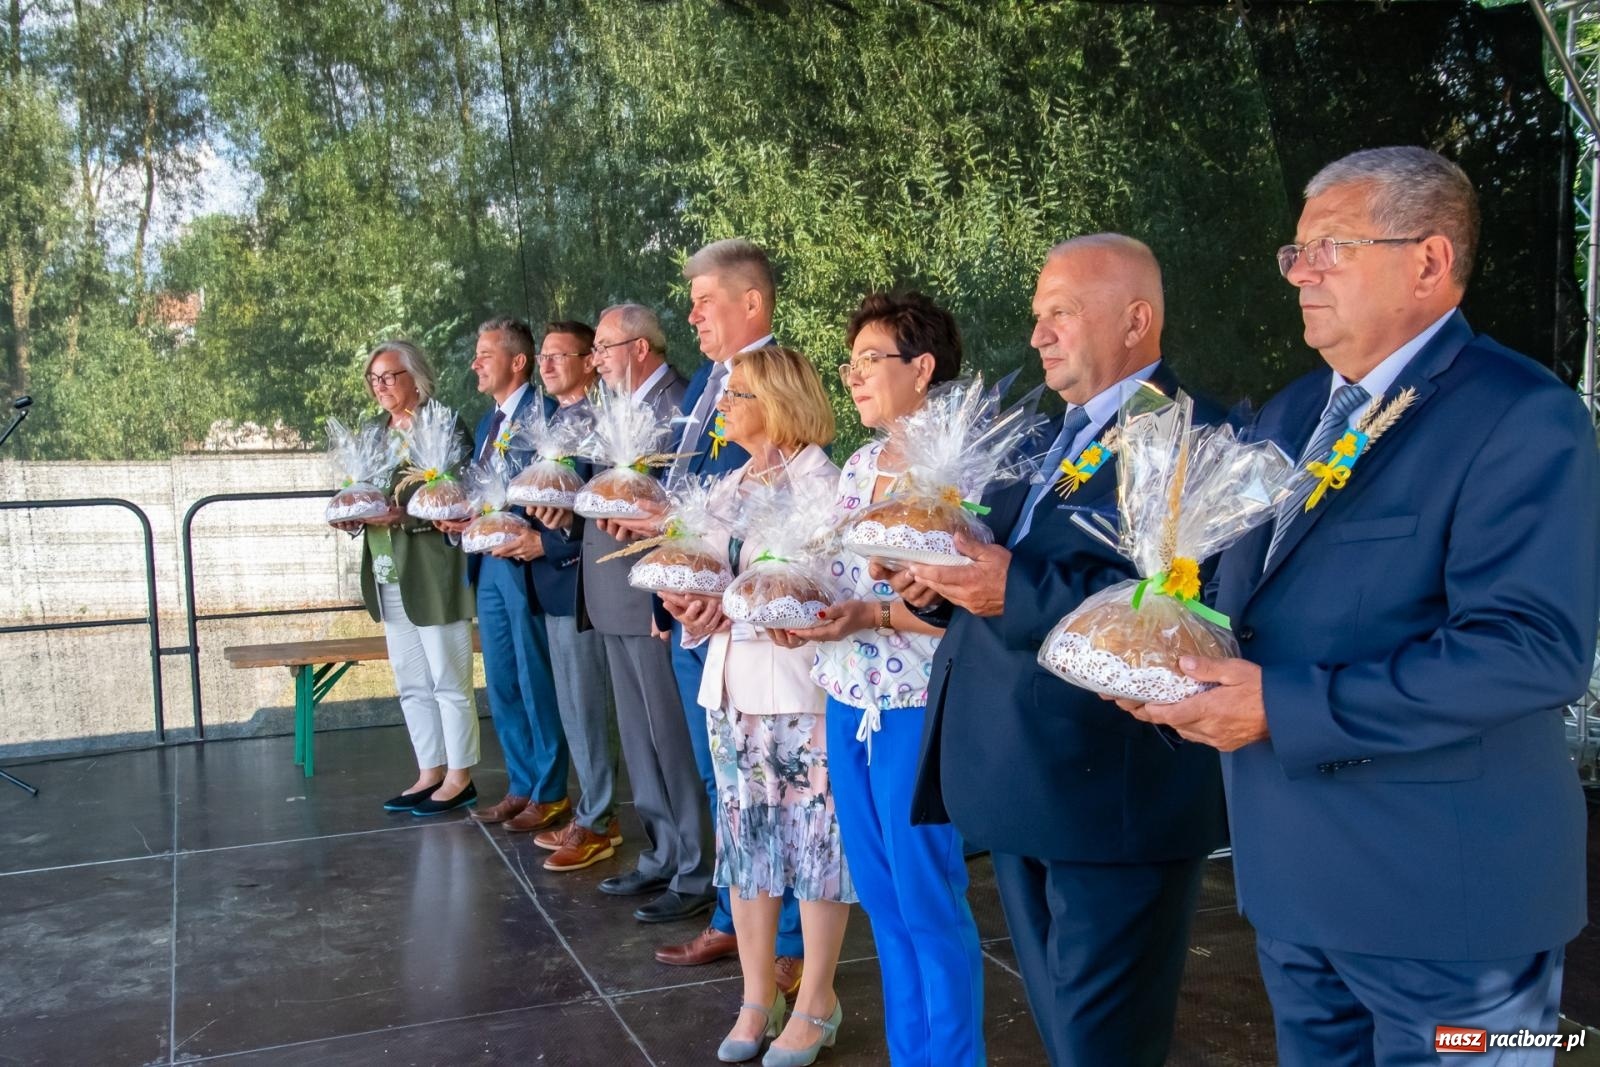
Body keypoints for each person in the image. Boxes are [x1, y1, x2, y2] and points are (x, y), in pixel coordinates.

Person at [1112, 148, 1600, 1066]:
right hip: (1294, 883)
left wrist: (1278, 706)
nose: (1302, 273)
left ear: (1430, 260)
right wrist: (1157, 645)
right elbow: (1250, 605)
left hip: (1449, 907)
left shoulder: (1520, 414)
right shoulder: (1291, 415)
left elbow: (1530, 650)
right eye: (1296, 253)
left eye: (1332, 247)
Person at [890, 241, 1226, 1066]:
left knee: (1103, 1042)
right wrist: (933, 584)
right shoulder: (1045, 435)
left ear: (1137, 319)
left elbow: (1174, 611)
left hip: (1110, 791)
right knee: (1066, 1031)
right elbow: (998, 559)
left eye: (1062, 311)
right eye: (1038, 314)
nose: (1039, 333)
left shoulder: (1187, 435)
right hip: (1020, 781)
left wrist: (1013, 590)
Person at [771, 292, 985, 1066]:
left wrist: (874, 617)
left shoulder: (955, 469)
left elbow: (970, 610)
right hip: (847, 700)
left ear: (922, 369)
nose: (853, 375)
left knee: (929, 903)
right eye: (850, 361)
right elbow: (839, 582)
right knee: (885, 905)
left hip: (917, 709)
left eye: (871, 359)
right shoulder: (859, 466)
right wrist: (800, 607)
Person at [661, 346, 851, 1066]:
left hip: (802, 688)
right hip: (732, 686)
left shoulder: (827, 485)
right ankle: (754, 996)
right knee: (746, 849)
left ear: (777, 399)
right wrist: (692, 607)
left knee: (815, 847)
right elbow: (707, 581)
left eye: (737, 393)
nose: (723, 405)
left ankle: (816, 999)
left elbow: (839, 587)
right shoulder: (729, 485)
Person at [655, 239, 805, 987]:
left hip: (760, 632)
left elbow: (785, 521)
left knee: (780, 788)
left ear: (753, 304)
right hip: (702, 620)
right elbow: (693, 501)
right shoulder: (706, 387)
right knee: (727, 778)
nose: (693, 316)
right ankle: (733, 919)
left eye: (706, 301)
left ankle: (787, 949)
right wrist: (673, 588)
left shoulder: (773, 386)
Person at [582, 303, 718, 924]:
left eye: (605, 347)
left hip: (656, 597)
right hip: (611, 590)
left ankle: (698, 867)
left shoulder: (683, 405)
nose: (597, 359)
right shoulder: (614, 408)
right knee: (640, 737)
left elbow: (684, 506)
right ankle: (663, 850)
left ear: (640, 347)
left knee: (672, 736)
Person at [489, 320, 622, 871]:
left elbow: (593, 511)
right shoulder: (554, 422)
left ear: (592, 360)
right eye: (541, 356)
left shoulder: (604, 423)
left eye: (557, 355)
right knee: (570, 704)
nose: (545, 364)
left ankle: (599, 821)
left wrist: (542, 542)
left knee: (587, 706)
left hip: (580, 581)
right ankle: (590, 811)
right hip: (547, 583)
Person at [436, 317, 570, 828]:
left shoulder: (547, 416)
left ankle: (551, 790)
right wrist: (460, 520)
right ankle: (521, 783)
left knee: (535, 678)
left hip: (524, 561)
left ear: (518, 362)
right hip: (487, 564)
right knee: (503, 679)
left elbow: (549, 489)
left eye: (484, 354)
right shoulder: (490, 421)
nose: (475, 363)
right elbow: (485, 493)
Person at [341, 340, 480, 817]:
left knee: (448, 677)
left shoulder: (441, 424)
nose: (380, 386)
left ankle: (460, 777)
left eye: (389, 376)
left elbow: (456, 497)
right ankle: (430, 771)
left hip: (433, 569)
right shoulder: (373, 432)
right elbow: (363, 491)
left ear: (415, 376)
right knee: (411, 681)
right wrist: (353, 513)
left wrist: (403, 516)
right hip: (386, 569)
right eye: (373, 378)